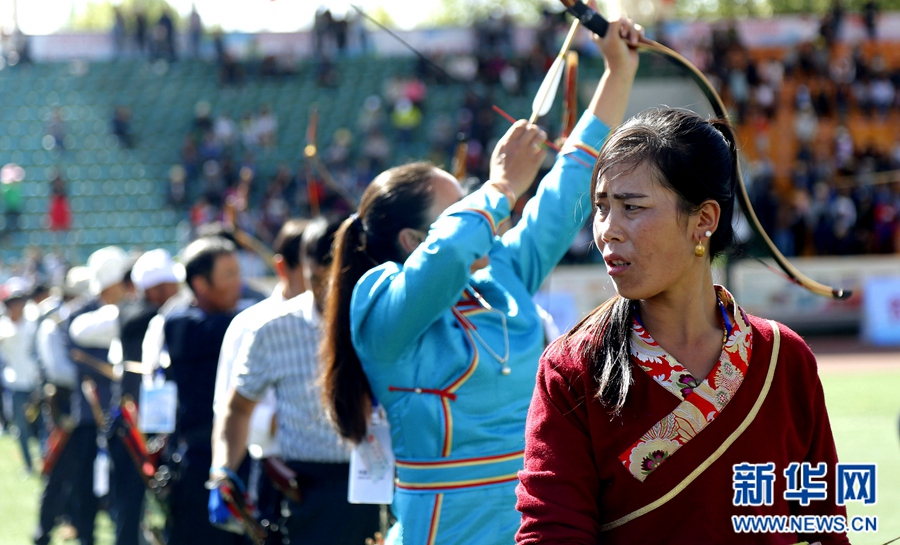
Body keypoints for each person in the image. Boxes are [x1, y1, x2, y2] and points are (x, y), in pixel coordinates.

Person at [320, 18, 641, 545]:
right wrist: (498, 186)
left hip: (539, 525)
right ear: (409, 240)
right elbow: (445, 255)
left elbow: (567, 190)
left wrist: (617, 72)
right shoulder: (378, 303)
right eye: (459, 208)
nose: (482, 214)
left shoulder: (501, 274)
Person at [514, 108, 849, 544]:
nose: (607, 231)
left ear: (704, 220)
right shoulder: (572, 367)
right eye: (601, 207)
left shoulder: (783, 357)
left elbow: (824, 525)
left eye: (632, 207)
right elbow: (551, 533)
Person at [212, 216, 379, 543]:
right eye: (318, 278)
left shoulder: (381, 320)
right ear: (302, 268)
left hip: (377, 479)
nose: (329, 291)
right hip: (306, 488)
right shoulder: (272, 329)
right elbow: (237, 408)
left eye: (339, 279)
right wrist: (223, 471)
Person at [34, 247, 131, 545]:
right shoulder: (80, 315)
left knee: (124, 485)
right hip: (87, 413)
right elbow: (72, 365)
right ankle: (82, 536)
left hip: (126, 412)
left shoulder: (129, 309)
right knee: (81, 480)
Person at [160, 236, 243, 545]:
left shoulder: (232, 319)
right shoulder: (183, 323)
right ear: (200, 284)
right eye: (228, 275)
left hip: (238, 457)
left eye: (238, 272)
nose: (239, 282)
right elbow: (227, 327)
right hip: (198, 461)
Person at [0, 276, 41, 473]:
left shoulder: (33, 322)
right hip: (16, 383)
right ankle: (28, 465)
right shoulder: (3, 326)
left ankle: (46, 463)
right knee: (22, 428)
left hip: (36, 381)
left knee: (43, 425)